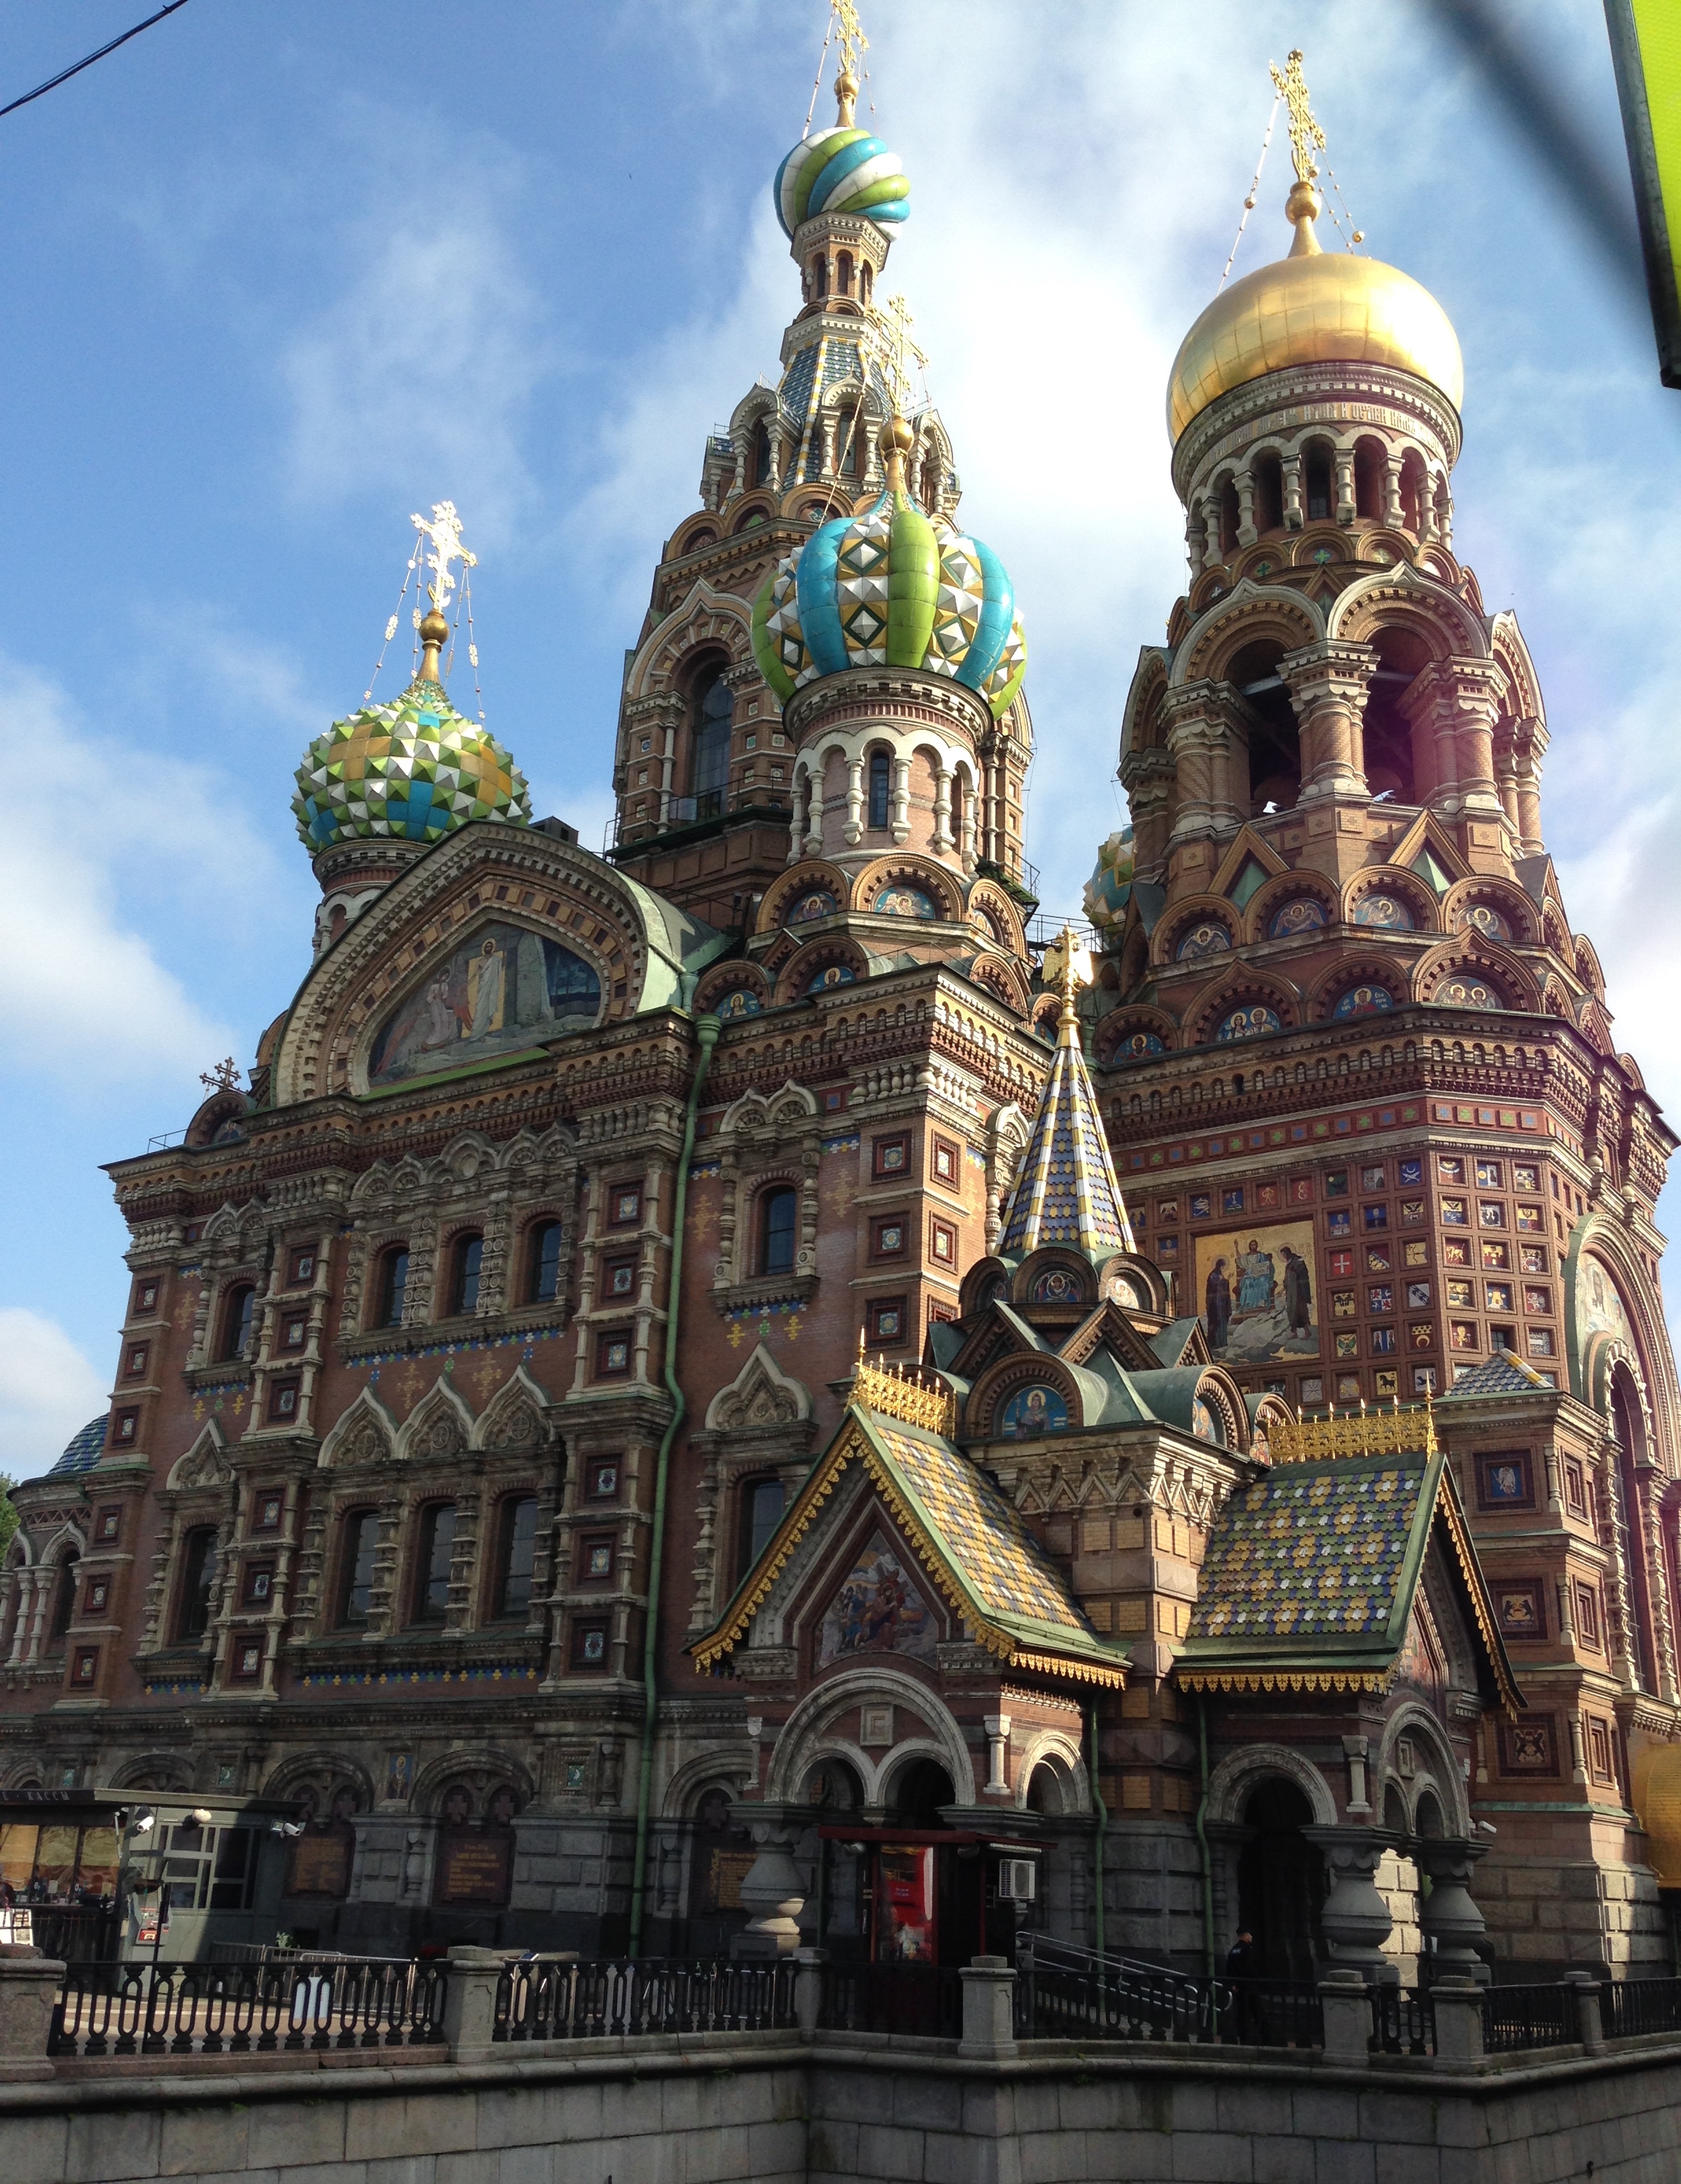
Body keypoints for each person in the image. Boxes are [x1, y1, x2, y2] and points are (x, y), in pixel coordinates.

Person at [1204, 1258, 1232, 1352]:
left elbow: (1223, 1286)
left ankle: (1223, 1342)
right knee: (1216, 1322)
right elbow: (1213, 1287)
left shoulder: (1220, 1275)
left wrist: (1226, 1281)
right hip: (1215, 1304)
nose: (1223, 1268)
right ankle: (1216, 1343)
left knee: (1223, 1321)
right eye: (1222, 1266)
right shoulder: (1212, 1275)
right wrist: (1222, 1281)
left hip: (1222, 1303)